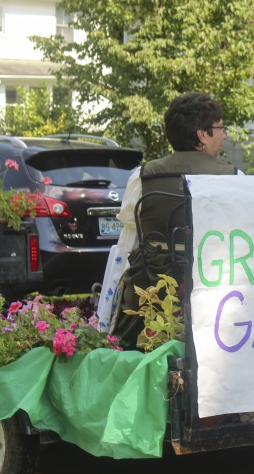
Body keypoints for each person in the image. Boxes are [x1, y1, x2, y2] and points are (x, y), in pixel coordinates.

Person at [97, 91, 240, 344]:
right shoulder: (233, 178)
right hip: (214, 298)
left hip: (149, 299)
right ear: (202, 135)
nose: (224, 134)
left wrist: (109, 312)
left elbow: (127, 244)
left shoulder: (142, 176)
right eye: (220, 128)